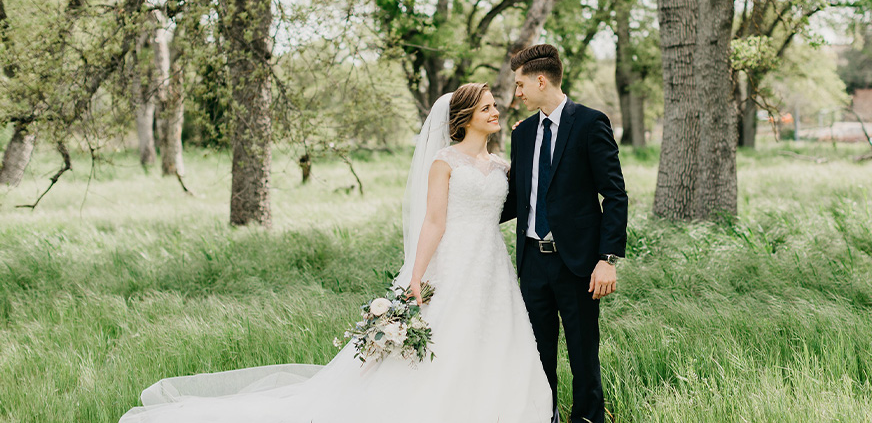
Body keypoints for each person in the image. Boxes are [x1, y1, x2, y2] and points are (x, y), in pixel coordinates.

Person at [119, 83, 552, 423]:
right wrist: (415, 278)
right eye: (486, 108)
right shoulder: (445, 162)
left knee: (493, 335)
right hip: (452, 263)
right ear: (465, 118)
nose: (496, 111)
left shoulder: (500, 165)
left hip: (493, 265)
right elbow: (434, 223)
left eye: (495, 105)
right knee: (446, 338)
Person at [501, 44, 628, 423]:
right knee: (538, 353)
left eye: (521, 85)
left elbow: (615, 194)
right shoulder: (522, 134)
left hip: (577, 263)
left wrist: (607, 260)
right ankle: (546, 417)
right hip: (532, 263)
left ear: (541, 80)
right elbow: (518, 198)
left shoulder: (591, 123)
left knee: (582, 353)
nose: (517, 94)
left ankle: (588, 418)